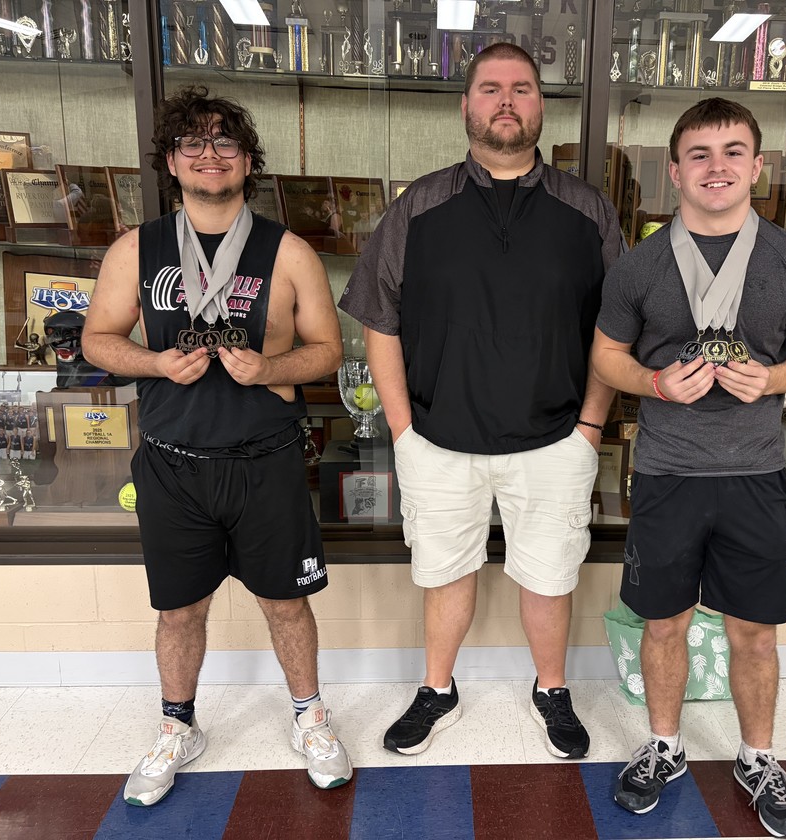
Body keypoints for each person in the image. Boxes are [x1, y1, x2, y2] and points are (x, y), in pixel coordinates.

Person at [339, 42, 622, 759]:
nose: (505, 101)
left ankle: (552, 689)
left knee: (552, 576)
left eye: (521, 89)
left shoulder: (588, 211)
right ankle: (438, 689)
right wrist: (402, 432)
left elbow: (615, 334)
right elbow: (380, 324)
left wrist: (590, 425)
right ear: (465, 105)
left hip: (555, 438)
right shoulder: (419, 207)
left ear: (540, 105)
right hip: (438, 438)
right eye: (490, 88)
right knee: (443, 574)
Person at [82, 84, 352, 807]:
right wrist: (154, 360)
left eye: (224, 143)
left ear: (245, 160)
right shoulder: (136, 250)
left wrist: (269, 368)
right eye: (192, 144)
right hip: (173, 464)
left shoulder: (287, 252)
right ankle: (178, 727)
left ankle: (310, 717)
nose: (209, 155)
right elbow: (98, 339)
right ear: (171, 160)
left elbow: (326, 350)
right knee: (179, 611)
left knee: (286, 604)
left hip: (264, 461)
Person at [591, 98, 786, 838]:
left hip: (755, 474)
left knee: (754, 633)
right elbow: (606, 356)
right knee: (661, 626)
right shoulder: (638, 266)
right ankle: (665, 747)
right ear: (675, 172)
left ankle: (757, 756)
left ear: (757, 167)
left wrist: (775, 379)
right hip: (667, 472)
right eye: (700, 154)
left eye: (734, 152)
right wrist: (657, 384)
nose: (718, 166)